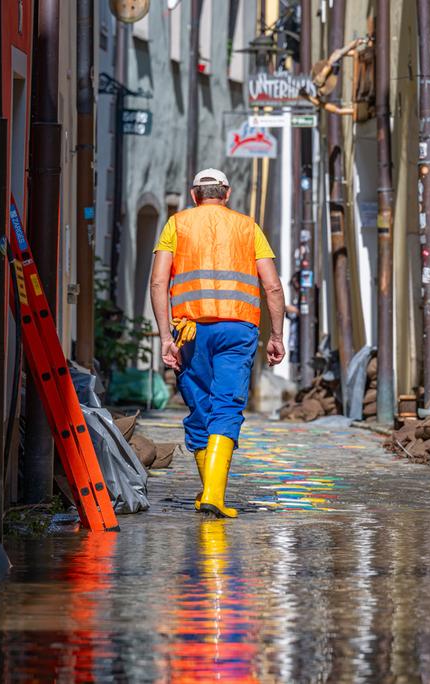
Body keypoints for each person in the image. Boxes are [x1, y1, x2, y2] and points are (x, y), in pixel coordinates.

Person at [150, 168, 285, 518]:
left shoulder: (176, 225)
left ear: (194, 195)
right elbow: (271, 285)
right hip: (237, 331)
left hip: (191, 330)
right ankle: (212, 493)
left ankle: (211, 491)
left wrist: (165, 337)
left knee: (200, 410)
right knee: (226, 407)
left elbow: (158, 283)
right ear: (226, 193)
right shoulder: (248, 227)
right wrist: (277, 335)